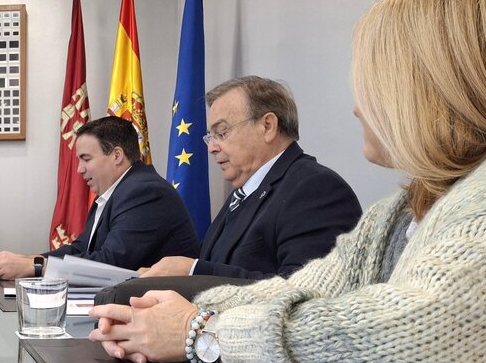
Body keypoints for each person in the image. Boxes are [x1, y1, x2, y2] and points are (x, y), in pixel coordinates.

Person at [88, 0, 486, 363]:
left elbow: (418, 327)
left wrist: (203, 332)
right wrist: (177, 310)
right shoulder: (402, 209)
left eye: (372, 84)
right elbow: (310, 288)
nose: (356, 107)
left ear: (435, 86)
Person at [99, 77, 362, 304]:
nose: (212, 147)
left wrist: (192, 270)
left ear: (267, 126)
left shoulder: (315, 189)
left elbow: (302, 292)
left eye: (221, 133)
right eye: (210, 137)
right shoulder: (245, 190)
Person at [0, 115, 200, 279]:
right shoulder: (116, 191)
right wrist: (26, 259)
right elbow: (81, 249)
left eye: (86, 159)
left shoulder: (145, 192)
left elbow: (110, 263)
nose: (79, 169)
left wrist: (35, 267)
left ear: (117, 155)